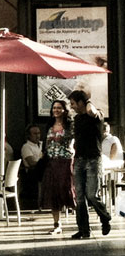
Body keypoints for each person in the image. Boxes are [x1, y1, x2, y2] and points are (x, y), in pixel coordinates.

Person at [68, 90, 111, 239]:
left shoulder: (96, 115)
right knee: (79, 196)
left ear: (81, 103)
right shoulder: (78, 119)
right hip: (79, 159)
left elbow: (91, 111)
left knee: (92, 194)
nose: (71, 106)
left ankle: (104, 217)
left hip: (93, 159)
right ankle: (83, 229)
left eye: (73, 103)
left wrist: (87, 100)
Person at [41, 99, 75, 235]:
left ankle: (81, 221)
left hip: (65, 161)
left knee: (67, 191)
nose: (56, 110)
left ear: (65, 110)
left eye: (59, 108)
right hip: (51, 162)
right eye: (54, 108)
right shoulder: (49, 125)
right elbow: (46, 143)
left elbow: (75, 140)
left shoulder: (70, 125)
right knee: (53, 193)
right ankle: (57, 224)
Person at [20, 124, 44, 208]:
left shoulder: (42, 145)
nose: (37, 136)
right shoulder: (26, 147)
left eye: (39, 133)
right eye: (35, 134)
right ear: (29, 135)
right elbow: (31, 162)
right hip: (32, 172)